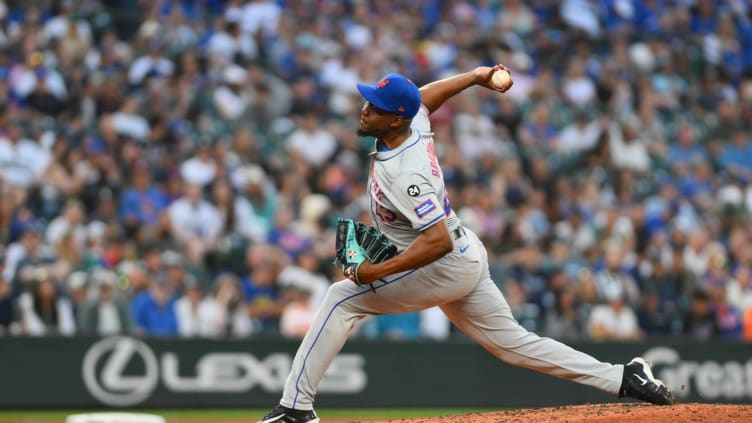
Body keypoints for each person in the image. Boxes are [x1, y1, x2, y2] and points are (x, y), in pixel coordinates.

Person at [258, 66, 675, 423]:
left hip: (443, 262)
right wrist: (476, 76)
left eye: (375, 108)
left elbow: (435, 240)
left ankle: (295, 409)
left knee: (341, 298)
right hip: (466, 251)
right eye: (368, 102)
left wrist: (377, 271)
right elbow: (424, 98)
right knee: (512, 344)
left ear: (395, 121)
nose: (365, 110)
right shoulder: (409, 125)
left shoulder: (405, 172)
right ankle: (625, 376)